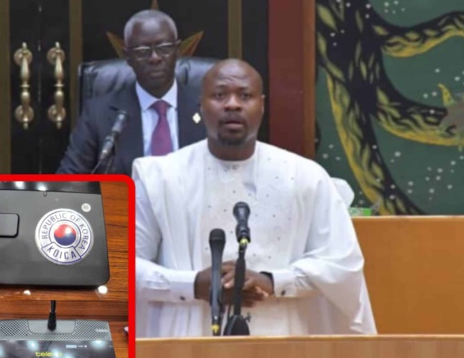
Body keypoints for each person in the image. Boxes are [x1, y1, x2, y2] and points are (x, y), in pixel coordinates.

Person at [134, 59, 376, 337]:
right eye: (220, 95)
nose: (233, 104)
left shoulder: (305, 177)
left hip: (281, 342)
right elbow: (125, 269)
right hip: (184, 345)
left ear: (262, 105)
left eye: (245, 96)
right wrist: (191, 285)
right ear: (201, 105)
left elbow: (342, 265)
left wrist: (272, 281)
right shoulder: (159, 177)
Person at [56, 9, 206, 175]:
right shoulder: (98, 114)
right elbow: (69, 179)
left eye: (163, 48)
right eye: (143, 51)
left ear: (177, 51)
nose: (155, 58)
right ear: (127, 57)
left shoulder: (206, 109)